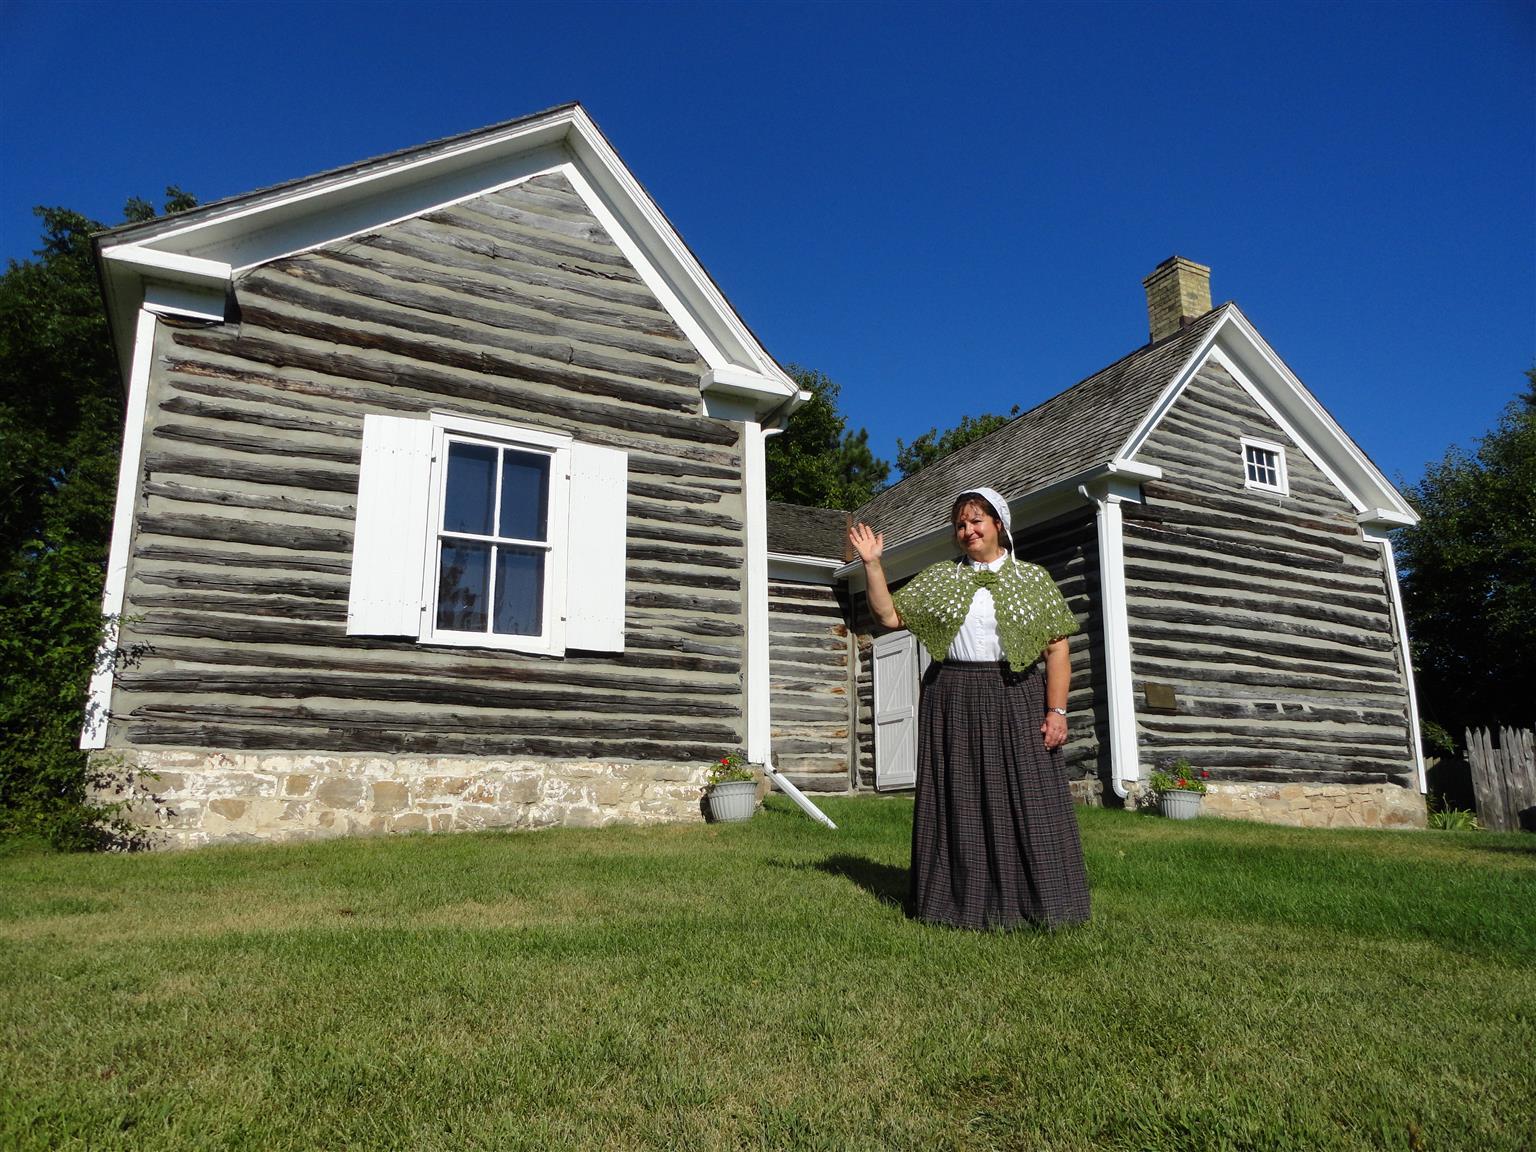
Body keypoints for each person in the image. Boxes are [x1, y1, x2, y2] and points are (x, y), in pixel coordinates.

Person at [849, 486, 1090, 929]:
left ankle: (1045, 906)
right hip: (953, 692)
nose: (968, 530)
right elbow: (888, 617)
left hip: (1017, 692)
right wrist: (872, 564)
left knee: (1029, 794)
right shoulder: (943, 578)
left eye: (977, 520)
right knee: (958, 794)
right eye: (960, 524)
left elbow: (1057, 649)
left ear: (999, 524)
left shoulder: (1032, 580)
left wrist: (1056, 712)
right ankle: (958, 905)